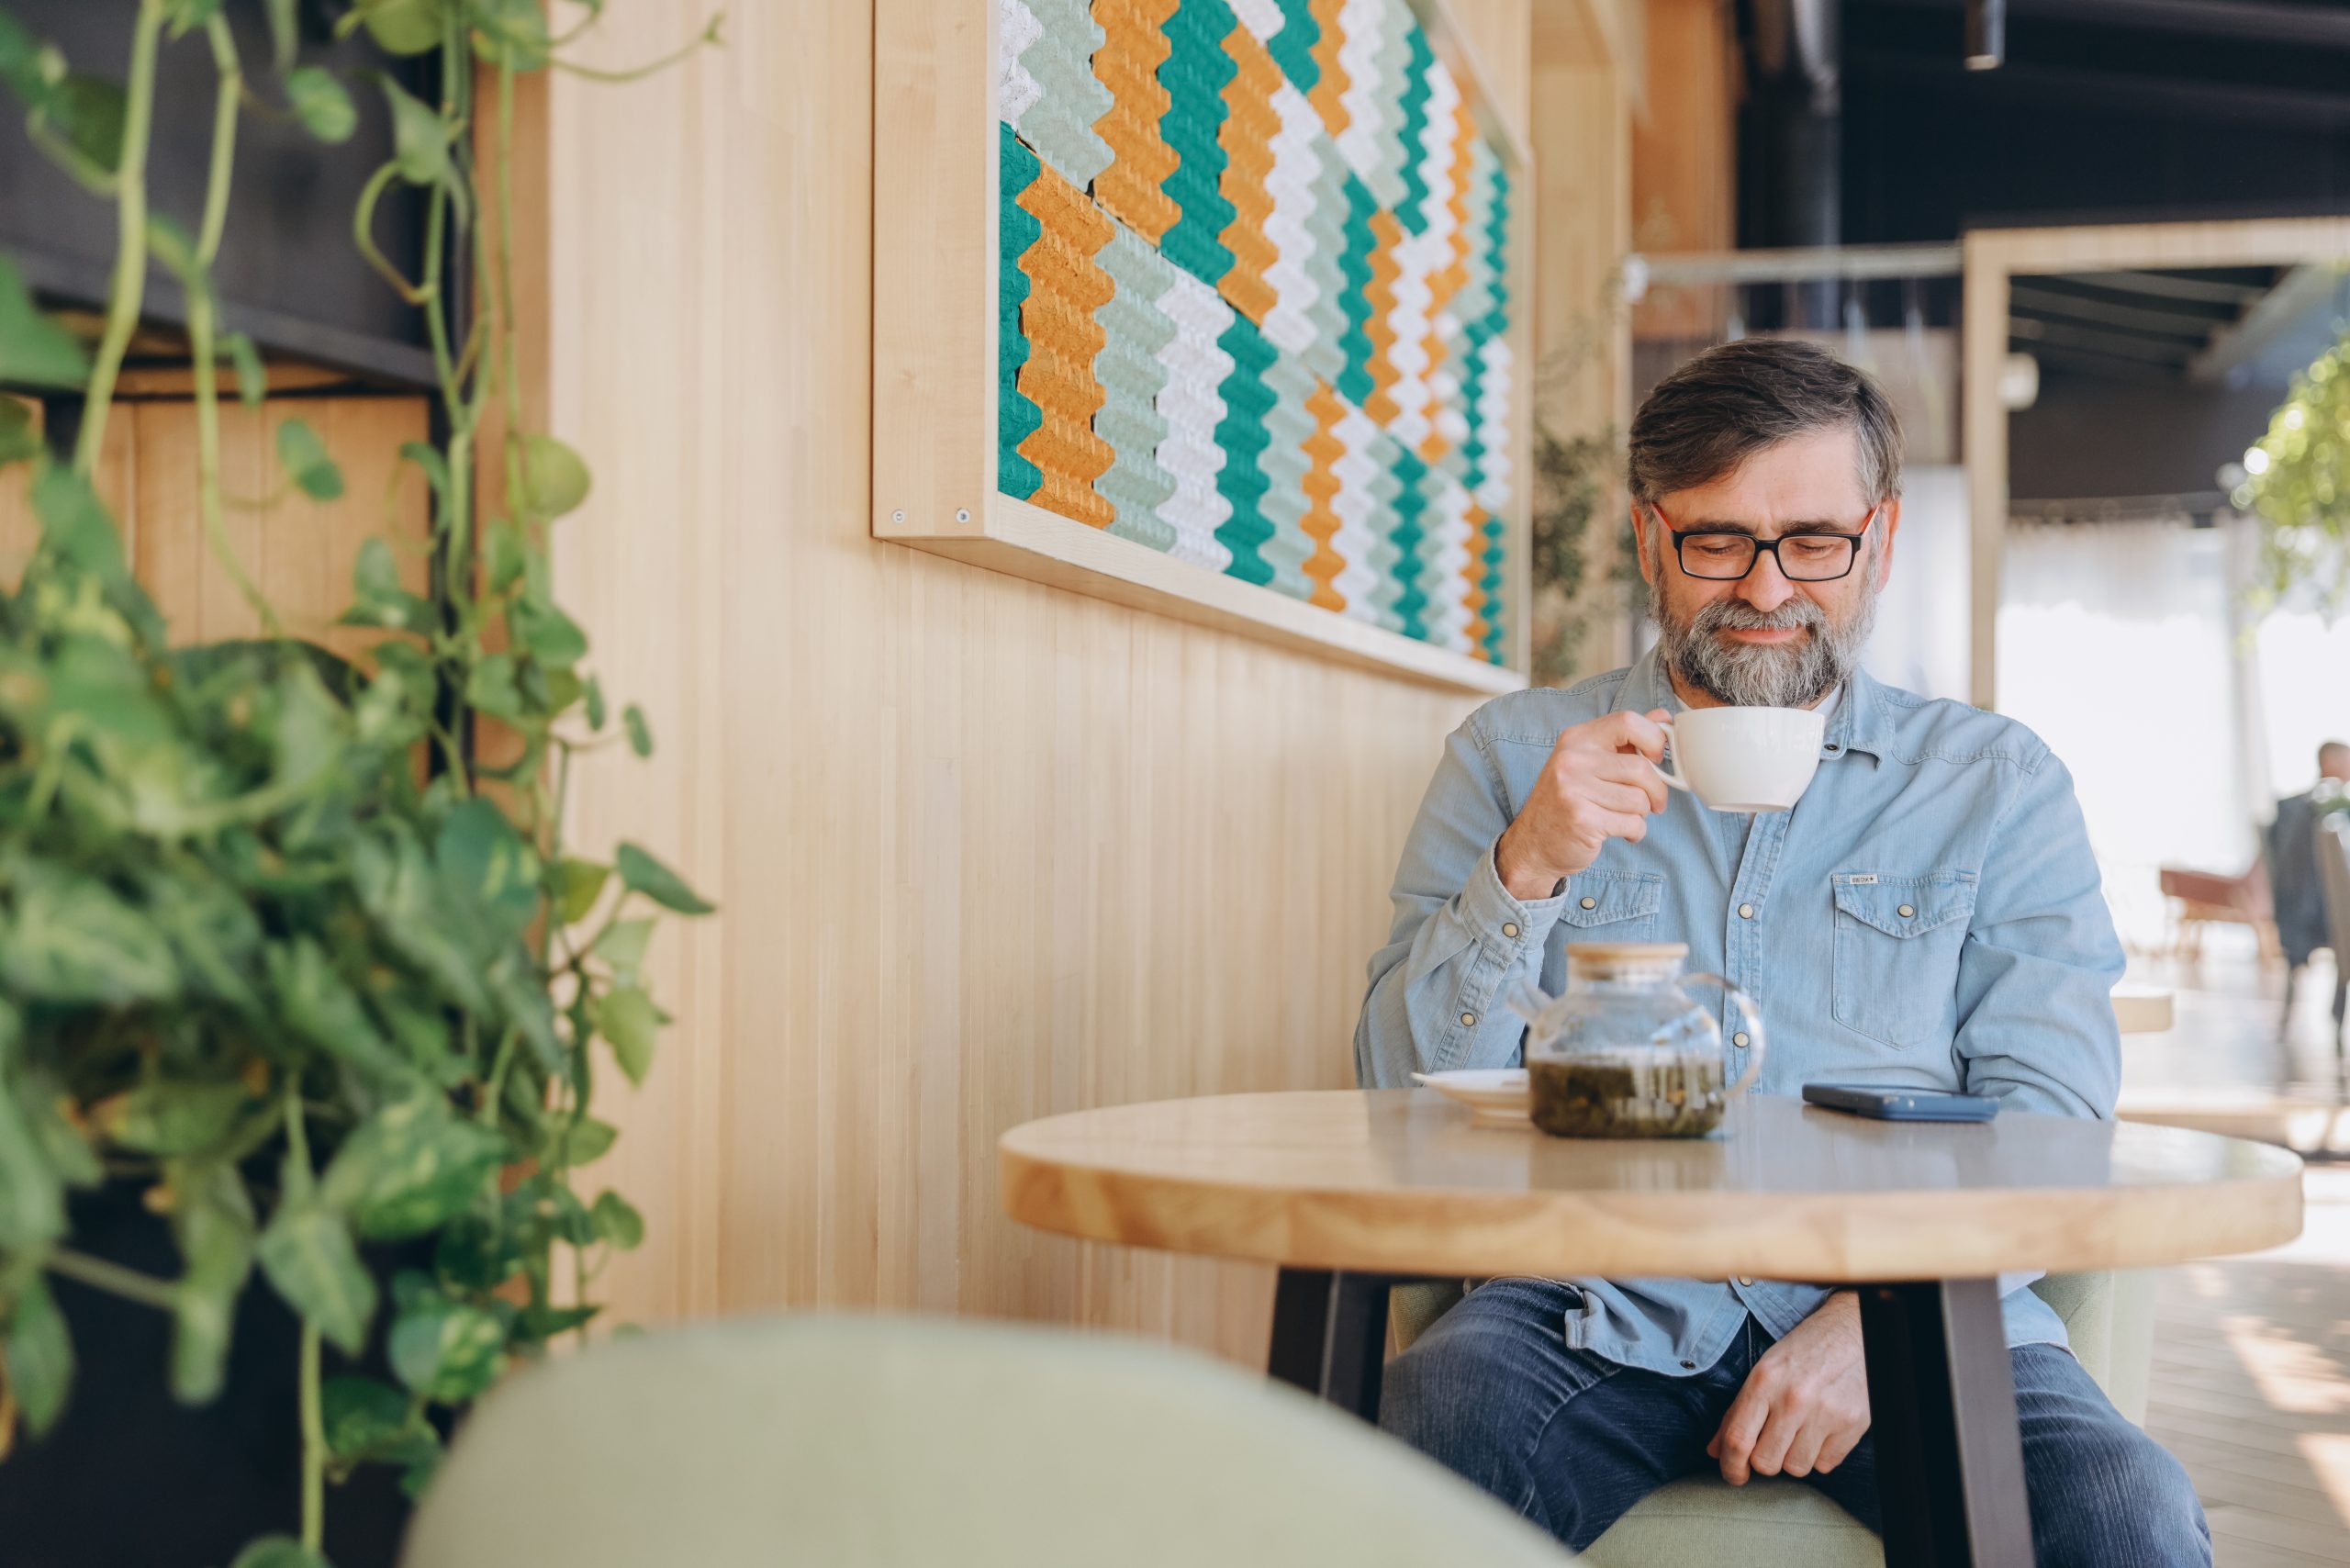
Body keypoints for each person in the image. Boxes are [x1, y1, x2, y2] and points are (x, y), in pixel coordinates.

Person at [1353, 339, 2209, 1565]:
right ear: (1652, 538)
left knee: (2125, 1517)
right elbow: (1394, 1100)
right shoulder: (1509, 759)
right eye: (1718, 542)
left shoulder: (1996, 783)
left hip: (1919, 1309)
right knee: (1409, 1452)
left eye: (1814, 540)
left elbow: (2053, 1120)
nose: (1767, 590)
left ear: (1882, 539)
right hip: (1589, 1304)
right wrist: (1527, 864)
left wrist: (1884, 1323)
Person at [2267, 742, 2350, 1040]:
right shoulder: (2329, 809)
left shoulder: (2298, 807)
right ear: (2331, 763)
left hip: (2305, 915)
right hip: (2322, 919)